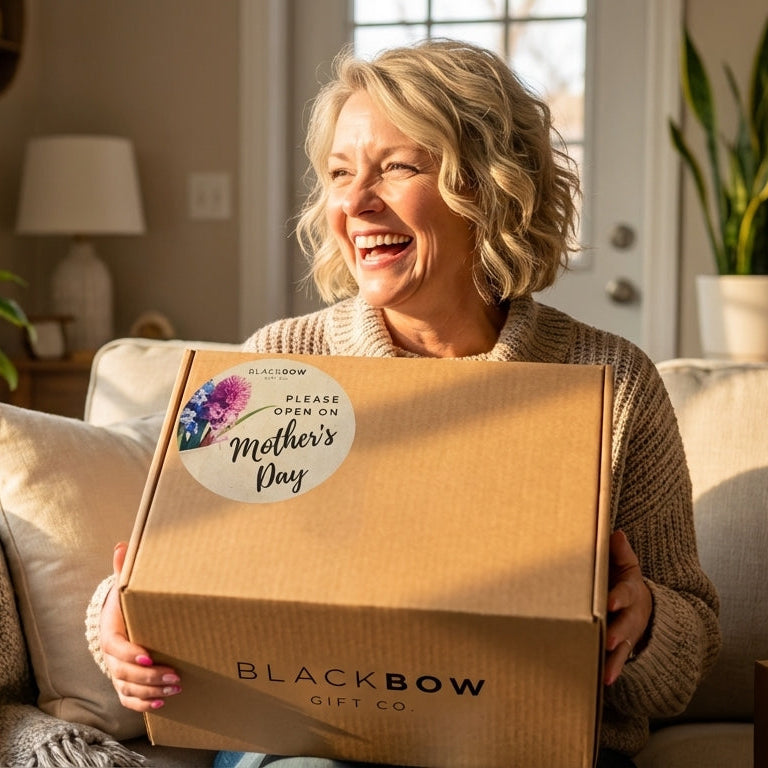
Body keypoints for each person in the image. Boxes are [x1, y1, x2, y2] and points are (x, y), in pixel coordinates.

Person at [86, 39, 721, 768]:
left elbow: (689, 647)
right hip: (310, 745)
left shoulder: (611, 381)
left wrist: (642, 623)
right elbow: (178, 559)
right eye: (339, 174)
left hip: (524, 747)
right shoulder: (278, 363)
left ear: (486, 186)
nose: (355, 205)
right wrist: (116, 615)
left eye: (397, 167)